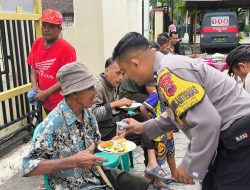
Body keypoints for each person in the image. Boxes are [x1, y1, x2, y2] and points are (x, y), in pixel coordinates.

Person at [112, 32, 250, 189]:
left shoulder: (169, 72)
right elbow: (177, 114)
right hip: (232, 136)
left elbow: (207, 122)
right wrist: (142, 127)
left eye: (124, 71)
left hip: (239, 138)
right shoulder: (167, 67)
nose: (125, 78)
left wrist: (190, 165)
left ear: (135, 63)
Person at [22, 62, 151, 190]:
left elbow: (93, 144)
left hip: (97, 174)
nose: (94, 93)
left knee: (145, 185)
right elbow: (28, 166)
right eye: (89, 88)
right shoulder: (53, 123)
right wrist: (73, 161)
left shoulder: (87, 113)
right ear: (74, 93)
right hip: (71, 184)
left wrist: (110, 144)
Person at [27, 9, 76, 114]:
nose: (46, 29)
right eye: (44, 25)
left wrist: (46, 92)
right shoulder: (37, 43)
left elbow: (67, 78)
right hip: (45, 101)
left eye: (51, 26)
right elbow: (33, 69)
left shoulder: (67, 49)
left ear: (60, 29)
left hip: (62, 103)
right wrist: (35, 88)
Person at [140, 88, 177, 189]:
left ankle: (174, 175)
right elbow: (143, 108)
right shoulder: (155, 95)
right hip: (160, 135)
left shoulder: (168, 93)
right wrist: (151, 121)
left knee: (171, 153)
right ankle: (156, 181)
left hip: (168, 132)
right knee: (159, 159)